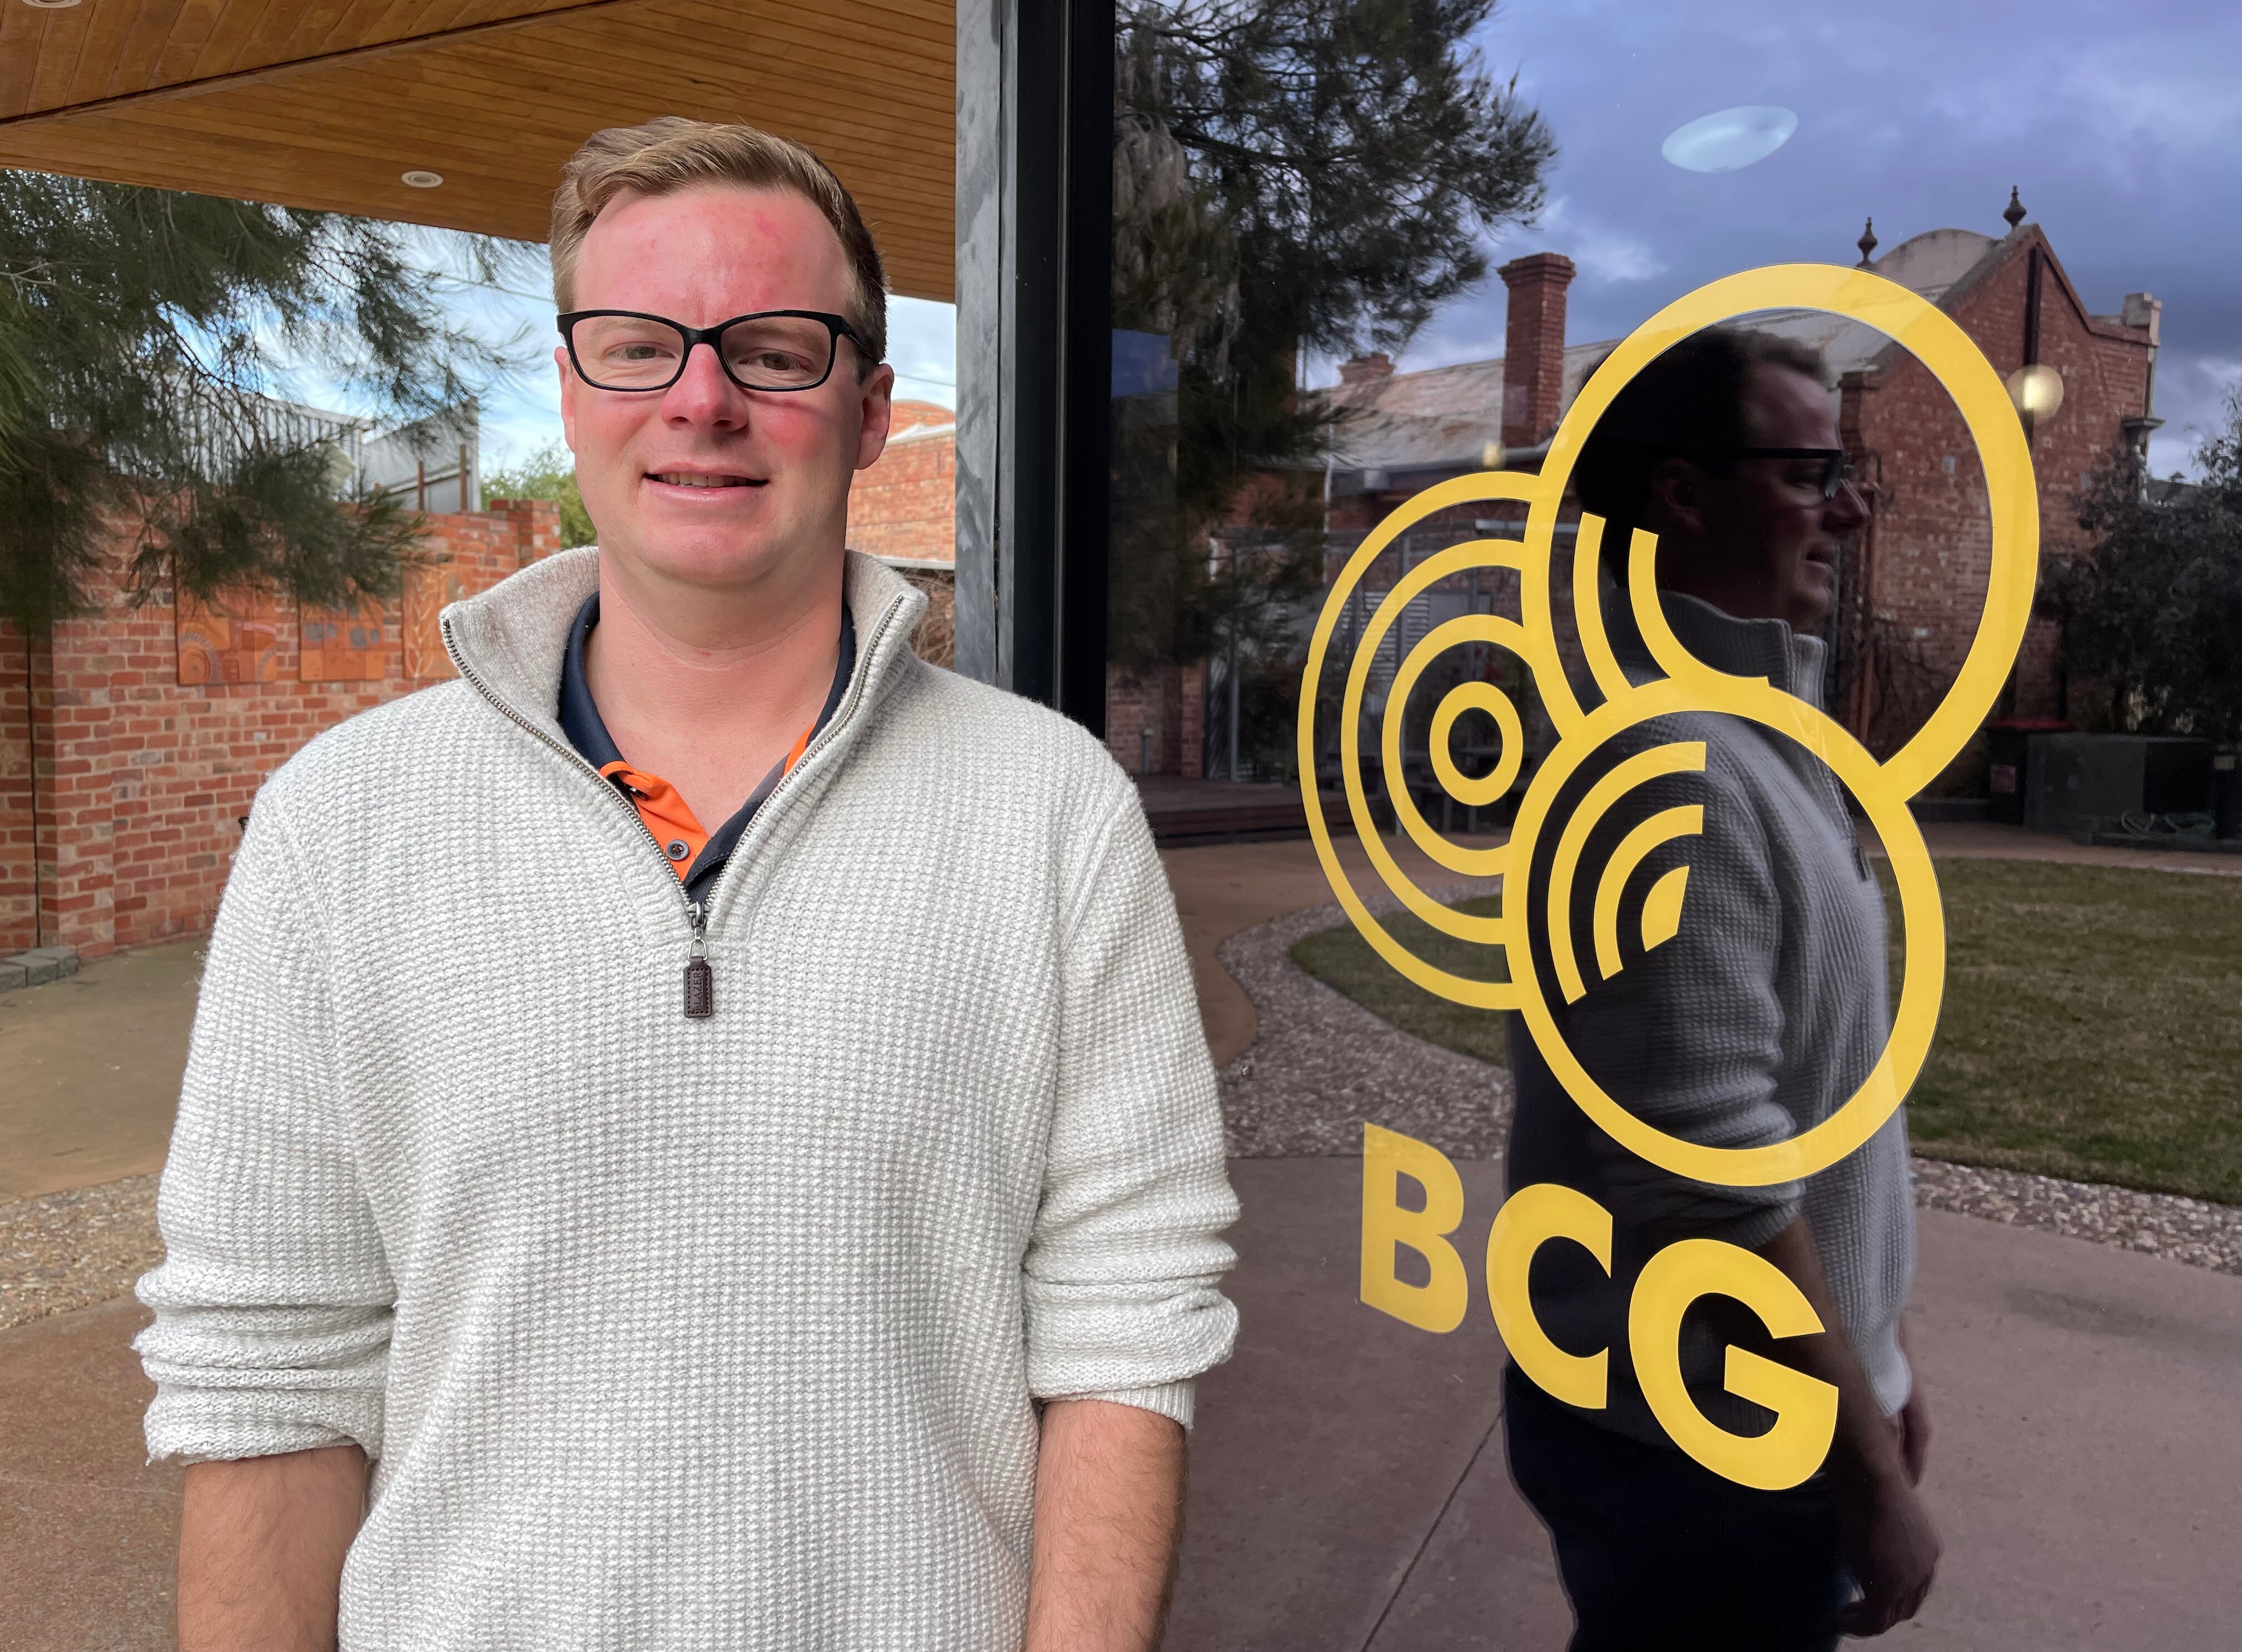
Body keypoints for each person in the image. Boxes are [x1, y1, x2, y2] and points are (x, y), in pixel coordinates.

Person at [134, 116, 1239, 1652]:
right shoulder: (340, 825)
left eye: (775, 350)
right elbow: (269, 1367)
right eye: (638, 346)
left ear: (869, 411)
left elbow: (1123, 1326)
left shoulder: (1053, 815)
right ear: (572, 391)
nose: (702, 401)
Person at [1500, 328, 1939, 1648]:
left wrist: (1880, 1363)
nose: (1850, 512)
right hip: (1703, 1442)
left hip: (1746, 1410)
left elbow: (1810, 1096)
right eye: (1811, 475)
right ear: (1682, 497)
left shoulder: (1755, 742)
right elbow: (1711, 1181)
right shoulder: (1671, 765)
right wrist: (1867, 1471)